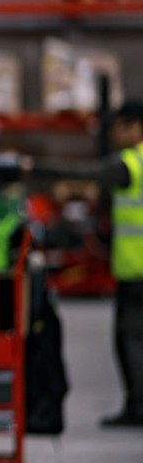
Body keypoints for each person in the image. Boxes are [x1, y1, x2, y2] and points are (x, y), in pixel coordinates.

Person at [27, 100, 143, 427]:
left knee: (130, 339)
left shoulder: (130, 164)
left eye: (120, 127)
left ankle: (138, 407)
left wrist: (33, 166)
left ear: (135, 127)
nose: (117, 135)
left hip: (137, 270)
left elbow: (85, 172)